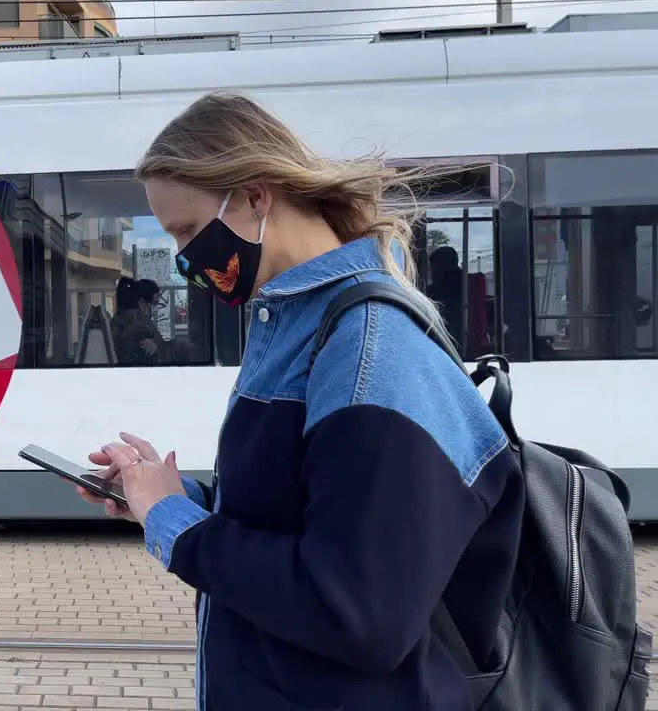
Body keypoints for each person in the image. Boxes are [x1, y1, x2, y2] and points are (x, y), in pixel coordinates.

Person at [76, 91, 525, 711]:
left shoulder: (369, 348)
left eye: (186, 229)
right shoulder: (298, 326)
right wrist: (172, 499)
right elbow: (311, 516)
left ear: (257, 196)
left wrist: (175, 528)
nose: (182, 258)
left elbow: (357, 612)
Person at [111, 277, 168, 365]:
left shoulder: (118, 319)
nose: (156, 309)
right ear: (142, 302)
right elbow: (164, 351)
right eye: (155, 303)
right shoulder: (141, 326)